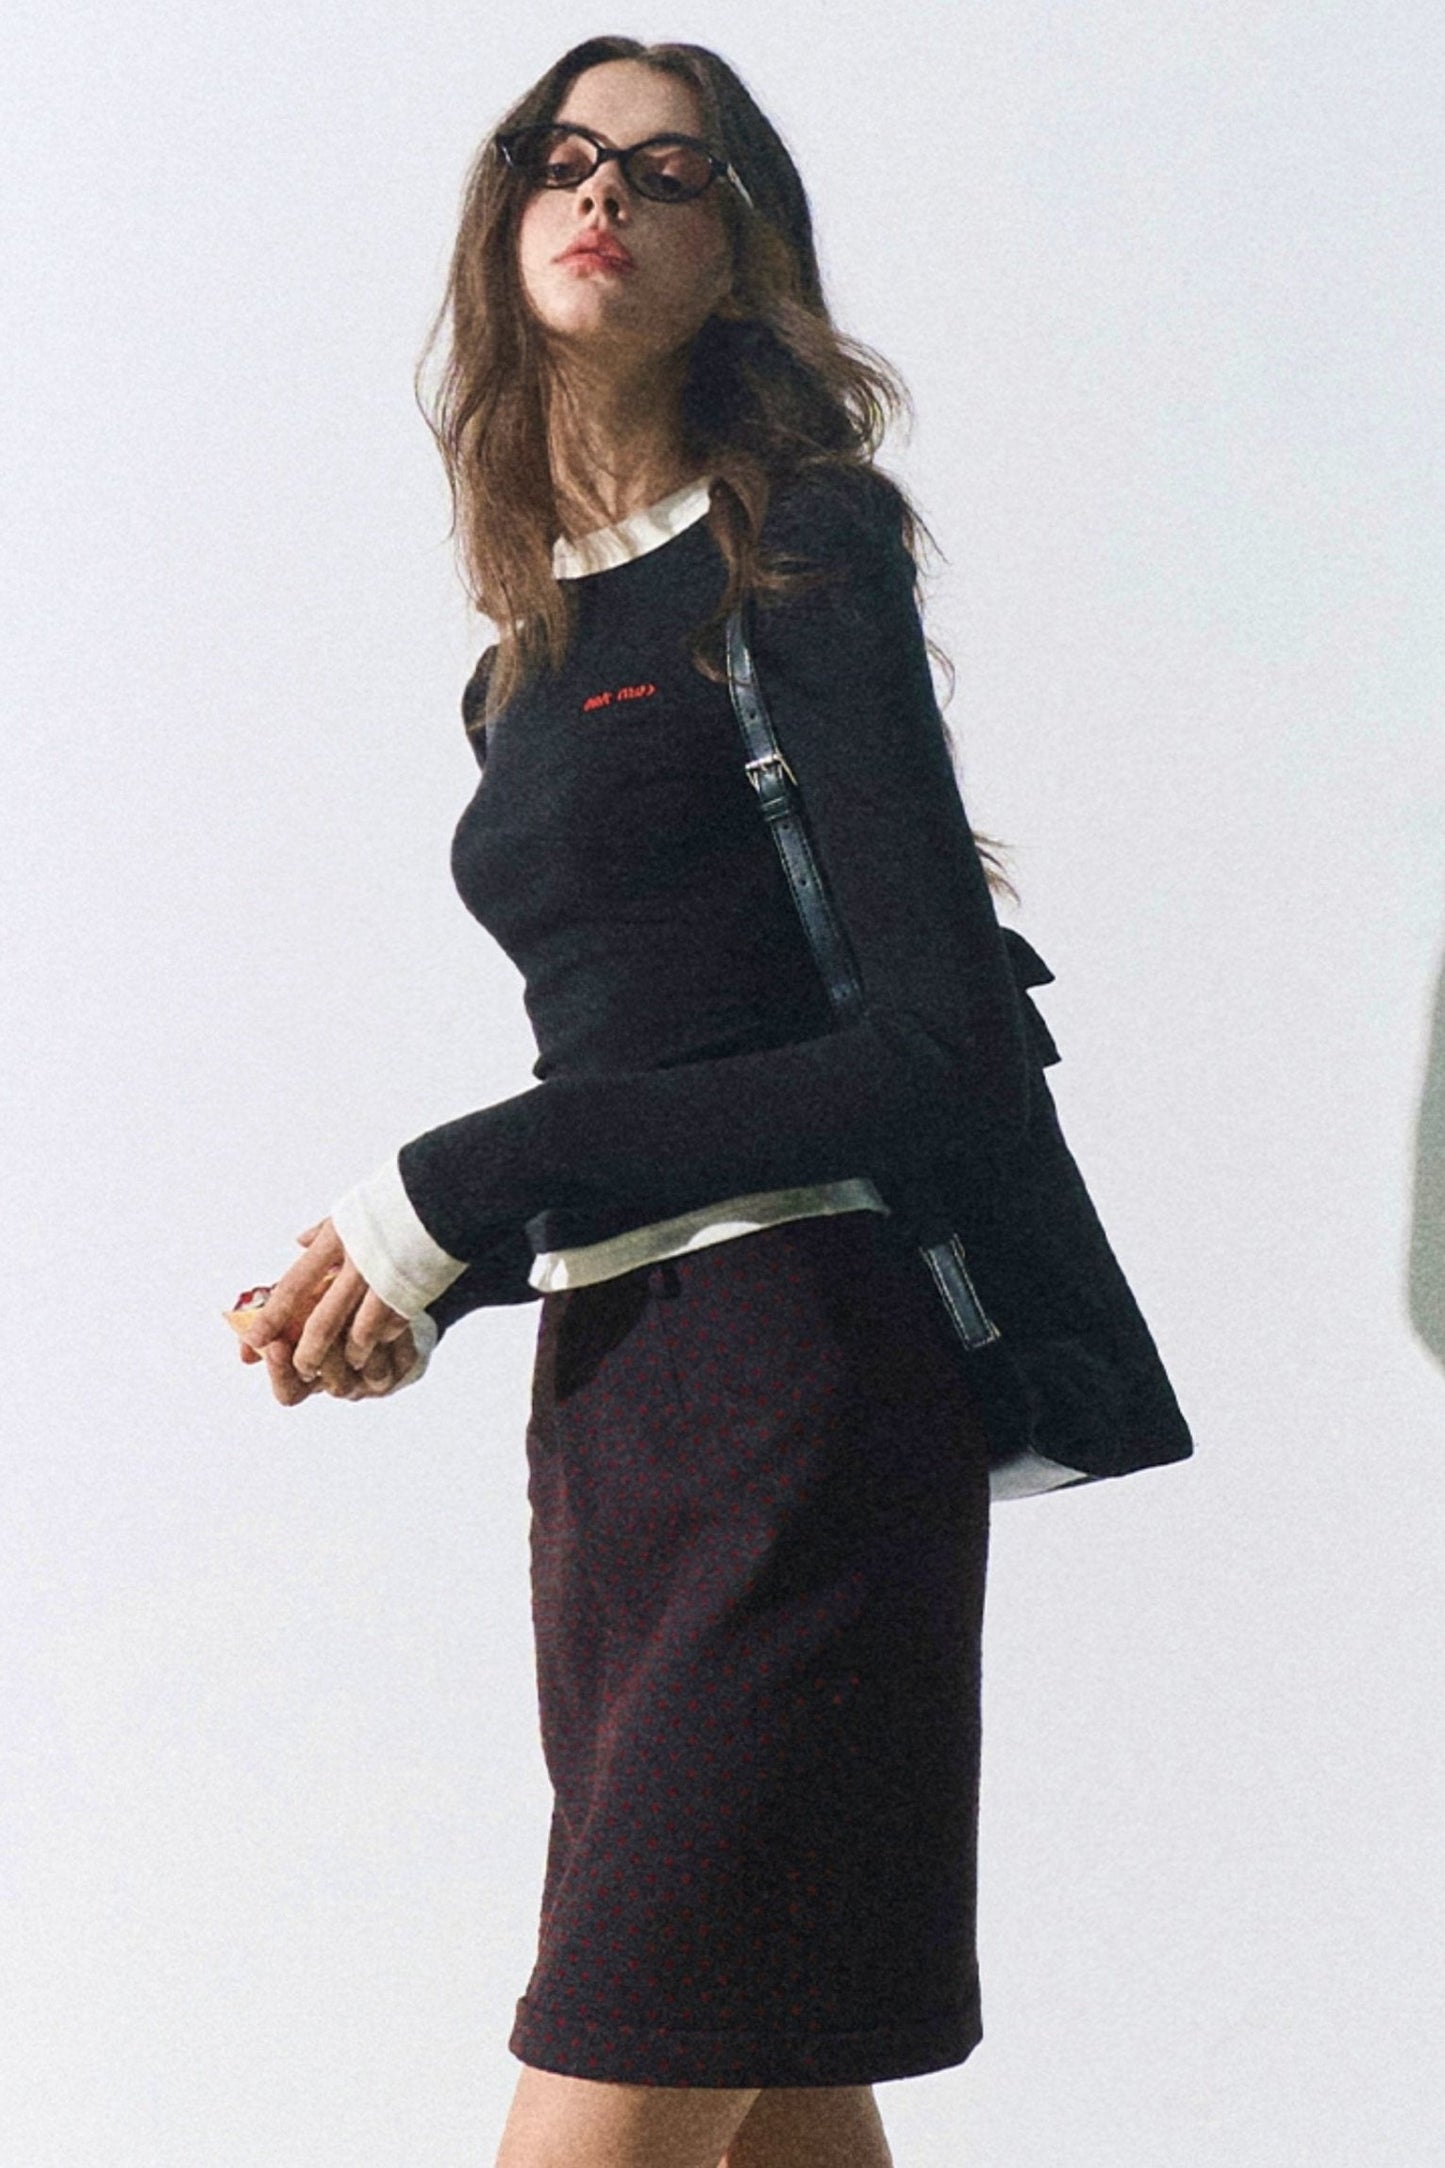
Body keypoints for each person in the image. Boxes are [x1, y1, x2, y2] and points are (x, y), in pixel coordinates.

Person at [239, 35, 1040, 2168]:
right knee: (769, 2103)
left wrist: (450, 1183)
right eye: (567, 155)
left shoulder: (801, 553)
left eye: (670, 172)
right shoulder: (523, 657)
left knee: (613, 2088)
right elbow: (649, 1069)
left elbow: (933, 1050)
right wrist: (426, 1271)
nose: (606, 192)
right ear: (506, 215)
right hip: (616, 1419)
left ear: (737, 250)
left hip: (803, 1407)